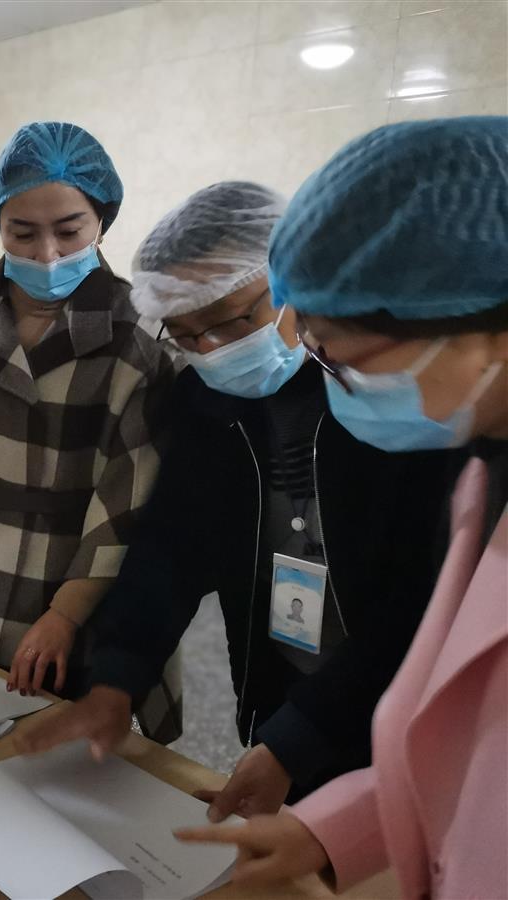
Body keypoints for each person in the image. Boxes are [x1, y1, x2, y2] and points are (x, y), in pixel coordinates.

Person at [17, 180, 450, 818]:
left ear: (293, 280)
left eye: (233, 319)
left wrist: (299, 737)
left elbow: (420, 598)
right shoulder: (206, 401)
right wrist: (116, 679)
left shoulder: (389, 400)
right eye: (186, 335)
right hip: (281, 691)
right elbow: (170, 548)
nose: (214, 350)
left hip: (409, 710)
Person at [174, 117, 507, 900]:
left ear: (483, 325)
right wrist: (328, 829)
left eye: (341, 357)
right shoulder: (483, 471)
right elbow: (472, 750)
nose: (330, 379)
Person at [0, 122, 178, 721]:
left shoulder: (139, 333)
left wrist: (65, 615)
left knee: (50, 742)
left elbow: (127, 504)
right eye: (22, 232)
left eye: (69, 232)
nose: (47, 255)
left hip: (81, 582)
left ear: (102, 221)